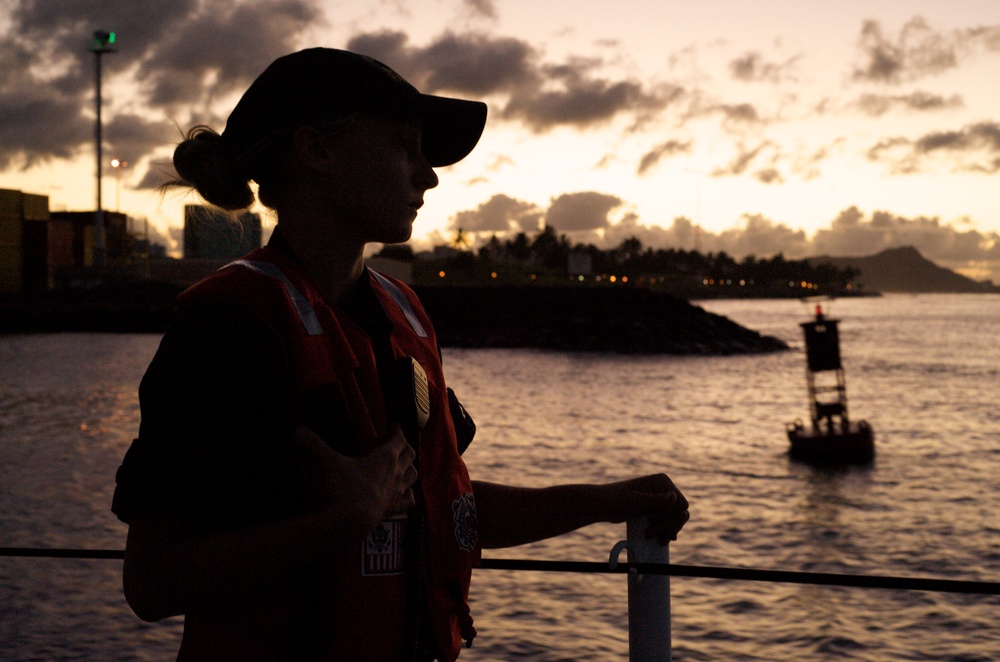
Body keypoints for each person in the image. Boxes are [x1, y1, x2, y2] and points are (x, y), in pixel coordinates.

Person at [112, 47, 689, 661]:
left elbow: (445, 506)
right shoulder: (229, 330)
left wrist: (607, 499)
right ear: (318, 151)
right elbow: (153, 581)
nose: (429, 175)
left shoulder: (402, 313)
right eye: (402, 147)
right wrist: (341, 522)